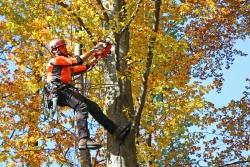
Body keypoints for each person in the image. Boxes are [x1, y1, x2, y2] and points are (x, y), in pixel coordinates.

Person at [45, 38, 131, 150]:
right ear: (55, 50)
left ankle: (115, 131)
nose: (66, 49)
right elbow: (78, 60)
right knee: (81, 106)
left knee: (93, 107)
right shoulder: (56, 60)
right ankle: (83, 139)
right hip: (58, 90)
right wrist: (93, 50)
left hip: (64, 90)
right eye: (63, 47)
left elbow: (83, 67)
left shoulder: (65, 67)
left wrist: (97, 58)